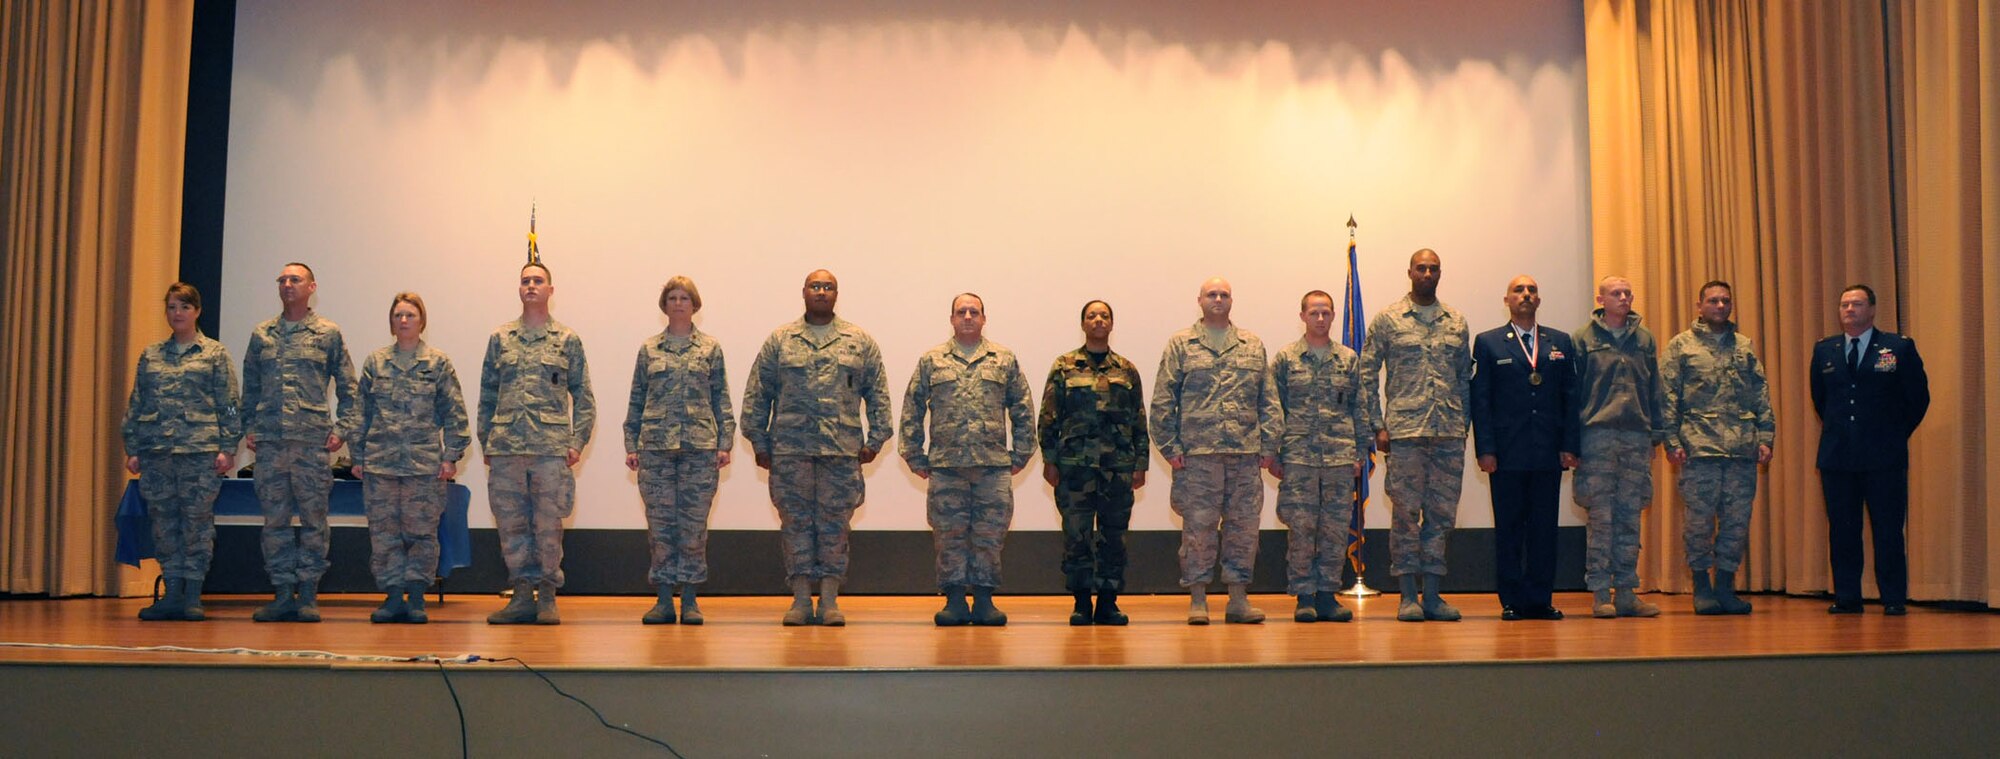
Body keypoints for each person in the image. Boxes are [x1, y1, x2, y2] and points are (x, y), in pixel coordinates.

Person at [742, 269, 893, 626]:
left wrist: (875, 441)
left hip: (841, 453)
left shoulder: (859, 341)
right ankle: (798, 600)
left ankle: (828, 601)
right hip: (791, 452)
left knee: (835, 526)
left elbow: (878, 395)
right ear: (804, 292)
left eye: (828, 287)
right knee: (794, 525)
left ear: (837, 294)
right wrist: (760, 442)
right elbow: (757, 395)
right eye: (815, 286)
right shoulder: (781, 340)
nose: (821, 292)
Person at [1151, 277, 1281, 625]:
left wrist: (1269, 446)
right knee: (1198, 530)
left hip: (1244, 455)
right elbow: (1163, 400)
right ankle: (1198, 600)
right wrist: (1170, 448)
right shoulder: (1182, 344)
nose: (1218, 299)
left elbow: (1268, 400)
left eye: (1224, 294)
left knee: (1243, 530)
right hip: (1197, 457)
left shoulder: (1252, 345)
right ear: (1200, 300)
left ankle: (1238, 599)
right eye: (1212, 294)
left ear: (1232, 300)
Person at [900, 293, 1035, 626]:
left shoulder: (1003, 359)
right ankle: (955, 600)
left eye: (975, 311)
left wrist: (1021, 454)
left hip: (992, 466)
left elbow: (1022, 408)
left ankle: (986, 600)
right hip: (947, 467)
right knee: (949, 535)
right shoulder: (932, 360)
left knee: (990, 535)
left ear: (984, 318)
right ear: (952, 319)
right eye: (961, 311)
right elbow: (912, 408)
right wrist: (914, 454)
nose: (968, 316)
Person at [478, 261, 596, 625]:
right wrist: (487, 440)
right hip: (506, 449)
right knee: (511, 526)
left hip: (550, 449)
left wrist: (576, 442)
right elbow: (487, 394)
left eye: (538, 280)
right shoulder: (501, 338)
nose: (531, 285)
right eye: (526, 280)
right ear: (519, 289)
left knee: (548, 526)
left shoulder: (567, 340)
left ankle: (547, 595)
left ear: (550, 290)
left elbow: (585, 397)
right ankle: (521, 595)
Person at [242, 262, 359, 623]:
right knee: (274, 523)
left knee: (313, 522)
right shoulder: (263, 334)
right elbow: (250, 387)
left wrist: (342, 429)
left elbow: (349, 388)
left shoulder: (328, 333)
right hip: (271, 445)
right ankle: (281, 594)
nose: (288, 284)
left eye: (296, 279)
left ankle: (307, 594)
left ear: (312, 287)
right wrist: (249, 426)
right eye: (283, 280)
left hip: (311, 445)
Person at [1361, 249, 1473, 622]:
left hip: (1447, 433)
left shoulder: (1456, 321)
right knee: (1406, 516)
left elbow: (1463, 380)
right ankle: (1408, 595)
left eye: (1433, 268)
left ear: (1441, 273)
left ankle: (1434, 596)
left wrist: (1463, 425)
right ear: (1409, 272)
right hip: (1405, 433)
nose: (1427, 273)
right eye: (1421, 268)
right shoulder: (1389, 320)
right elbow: (1366, 374)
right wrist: (1377, 425)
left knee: (1441, 517)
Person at [121, 282, 241, 622]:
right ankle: (171, 593)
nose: (178, 314)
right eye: (172, 307)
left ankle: (192, 595)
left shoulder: (214, 354)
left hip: (199, 452)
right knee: (163, 525)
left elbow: (229, 404)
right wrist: (133, 447)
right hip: (157, 453)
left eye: (185, 307)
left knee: (196, 526)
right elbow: (137, 402)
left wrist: (228, 447)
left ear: (197, 311)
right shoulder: (152, 355)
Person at [350, 292, 470, 624]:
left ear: (422, 321)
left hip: (424, 466)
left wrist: (451, 456)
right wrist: (356, 455)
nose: (403, 321)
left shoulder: (438, 363)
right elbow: (361, 412)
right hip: (381, 464)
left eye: (410, 315)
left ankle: (416, 597)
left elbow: (454, 412)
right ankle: (392, 598)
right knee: (384, 533)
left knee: (421, 534)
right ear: (391, 322)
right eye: (398, 315)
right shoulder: (375, 362)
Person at [1811, 284, 1928, 615]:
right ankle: (1847, 596)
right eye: (1845, 304)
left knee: (1887, 530)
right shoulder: (1825, 351)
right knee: (1843, 530)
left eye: (1857, 304)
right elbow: (1821, 399)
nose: (1850, 310)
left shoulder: (1897, 348)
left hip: (1883, 457)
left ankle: (1893, 598)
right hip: (1837, 457)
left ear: (1872, 310)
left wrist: (1892, 433)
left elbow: (1918, 398)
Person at [624, 276, 734, 625]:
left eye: (685, 297)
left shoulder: (710, 349)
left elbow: (721, 399)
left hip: (699, 449)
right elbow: (637, 400)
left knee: (693, 526)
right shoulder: (649, 349)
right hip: (655, 449)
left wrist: (725, 442)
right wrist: (632, 443)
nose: (678, 303)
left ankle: (689, 599)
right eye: (672, 297)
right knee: (660, 527)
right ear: (664, 304)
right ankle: (662, 600)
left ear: (695, 304)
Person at [1469, 275, 1578, 621]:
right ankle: (1513, 600)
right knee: (1510, 529)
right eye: (1519, 290)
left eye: (1531, 290)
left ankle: (1540, 599)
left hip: (1548, 453)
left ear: (1538, 300)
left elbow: (1570, 398)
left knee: (1545, 531)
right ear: (1507, 300)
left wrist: (1569, 446)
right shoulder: (1488, 343)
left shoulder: (1560, 342)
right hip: (1506, 455)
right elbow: (1481, 401)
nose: (1526, 295)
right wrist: (1485, 450)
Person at [1661, 281, 1773, 615]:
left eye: (1726, 300)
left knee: (1737, 522)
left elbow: (1761, 394)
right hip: (1699, 450)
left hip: (1741, 449)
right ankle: (1702, 588)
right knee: (1699, 524)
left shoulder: (1744, 346)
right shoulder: (1681, 347)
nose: (1720, 306)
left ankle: (1725, 587)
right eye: (1713, 301)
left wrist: (1766, 438)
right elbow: (1667, 398)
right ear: (1699, 306)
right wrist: (1672, 440)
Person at [1039, 300, 1149, 626]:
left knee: (1114, 537)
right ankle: (1081, 602)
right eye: (1092, 316)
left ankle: (1108, 603)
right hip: (1075, 468)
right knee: (1078, 536)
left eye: (1104, 316)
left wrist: (1140, 462)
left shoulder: (1126, 370)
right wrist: (1049, 459)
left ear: (1112, 324)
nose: (1098, 320)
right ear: (1083, 324)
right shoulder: (1064, 366)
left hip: (1117, 468)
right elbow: (1048, 416)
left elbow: (1138, 420)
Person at [1570, 276, 1668, 618]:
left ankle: (1626, 590)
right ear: (1601, 299)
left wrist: (1657, 432)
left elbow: (1655, 387)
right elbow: (1574, 393)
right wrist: (1572, 441)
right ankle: (1600, 593)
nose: (1624, 298)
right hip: (1596, 436)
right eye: (1616, 293)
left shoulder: (1644, 338)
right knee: (1601, 518)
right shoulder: (1583, 339)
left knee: (1630, 516)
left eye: (1628, 293)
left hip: (1636, 437)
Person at [1269, 291, 1369, 623]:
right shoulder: (1286, 359)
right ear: (1302, 316)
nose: (1321, 319)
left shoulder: (1348, 359)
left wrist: (1359, 454)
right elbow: (1273, 410)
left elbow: (1360, 410)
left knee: (1335, 530)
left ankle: (1327, 594)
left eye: (1326, 313)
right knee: (1302, 529)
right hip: (1298, 459)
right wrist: (1275, 454)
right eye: (1314, 313)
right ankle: (1303, 595)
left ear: (1334, 315)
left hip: (1340, 460)